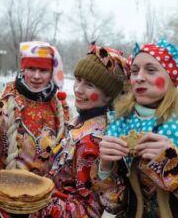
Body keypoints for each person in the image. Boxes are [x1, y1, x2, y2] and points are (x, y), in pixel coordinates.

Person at [97, 39, 178, 217]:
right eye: (134, 71)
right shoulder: (121, 124)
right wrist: (105, 168)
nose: (139, 77)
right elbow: (115, 206)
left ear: (172, 76)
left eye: (151, 70)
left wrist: (176, 164)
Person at [33, 43, 128, 217]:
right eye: (78, 79)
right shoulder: (80, 121)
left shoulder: (93, 140)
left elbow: (90, 211)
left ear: (108, 95)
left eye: (90, 85)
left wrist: (36, 204)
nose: (78, 89)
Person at [0, 41, 69, 176]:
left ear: (52, 73)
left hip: (45, 193)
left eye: (43, 70)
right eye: (31, 69)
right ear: (23, 69)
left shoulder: (61, 110)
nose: (36, 76)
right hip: (4, 189)